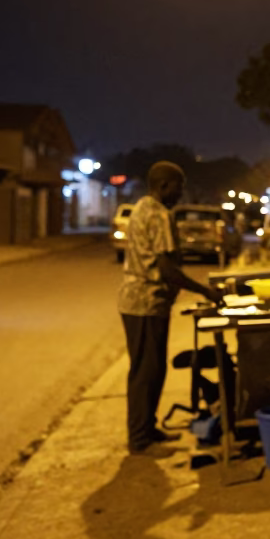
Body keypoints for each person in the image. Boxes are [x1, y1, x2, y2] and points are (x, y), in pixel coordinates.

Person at [118, 161, 223, 455]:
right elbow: (166, 269)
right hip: (145, 302)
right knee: (145, 372)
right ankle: (139, 439)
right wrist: (206, 291)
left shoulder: (140, 207)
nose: (181, 193)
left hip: (142, 303)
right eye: (179, 186)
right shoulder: (160, 215)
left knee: (150, 369)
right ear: (164, 185)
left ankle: (147, 429)